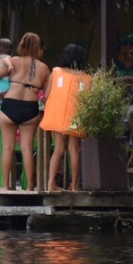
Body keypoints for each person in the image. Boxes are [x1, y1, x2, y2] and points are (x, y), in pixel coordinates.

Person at [0, 32, 48, 191]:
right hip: (30, 108)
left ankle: (5, 185)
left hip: (10, 105)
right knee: (27, 148)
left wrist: (4, 63)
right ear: (38, 48)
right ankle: (30, 186)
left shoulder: (13, 61)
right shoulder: (44, 68)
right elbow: (46, 95)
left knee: (7, 147)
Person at [42, 43, 88, 192]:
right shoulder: (86, 77)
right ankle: (74, 185)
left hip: (57, 114)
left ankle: (51, 184)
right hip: (76, 116)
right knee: (74, 149)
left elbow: (47, 94)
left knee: (58, 149)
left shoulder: (55, 72)